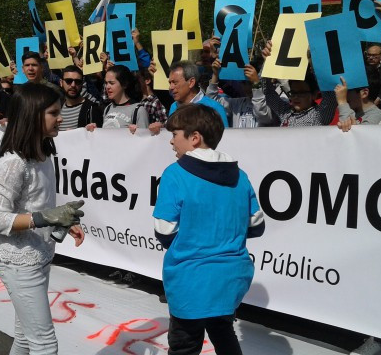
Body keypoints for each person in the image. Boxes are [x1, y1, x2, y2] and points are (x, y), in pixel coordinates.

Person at [153, 104, 265, 355]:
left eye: (174, 135)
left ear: (194, 138)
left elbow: (164, 231)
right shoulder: (241, 175)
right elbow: (257, 225)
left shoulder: (174, 174)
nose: (171, 142)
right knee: (222, 331)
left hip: (190, 278)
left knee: (185, 345)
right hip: (230, 278)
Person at [0, 82, 86, 354]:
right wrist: (43, 218)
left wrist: (61, 220)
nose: (60, 117)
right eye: (53, 112)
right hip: (19, 262)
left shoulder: (43, 153)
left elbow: (38, 205)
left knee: (26, 338)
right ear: (32, 115)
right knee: (45, 345)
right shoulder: (14, 162)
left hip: (38, 255)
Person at [89, 65, 149, 132]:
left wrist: (135, 133)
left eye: (111, 83)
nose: (107, 87)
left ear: (124, 84)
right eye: (106, 83)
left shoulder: (138, 110)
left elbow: (145, 138)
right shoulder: (107, 108)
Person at [335, 67, 381, 131]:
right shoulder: (354, 111)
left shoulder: (376, 116)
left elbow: (352, 135)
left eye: (347, 90)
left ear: (364, 93)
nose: (343, 94)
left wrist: (342, 102)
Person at [59, 65, 102, 131]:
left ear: (82, 84)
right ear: (61, 82)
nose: (73, 85)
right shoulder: (57, 108)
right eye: (69, 81)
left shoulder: (91, 108)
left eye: (77, 82)